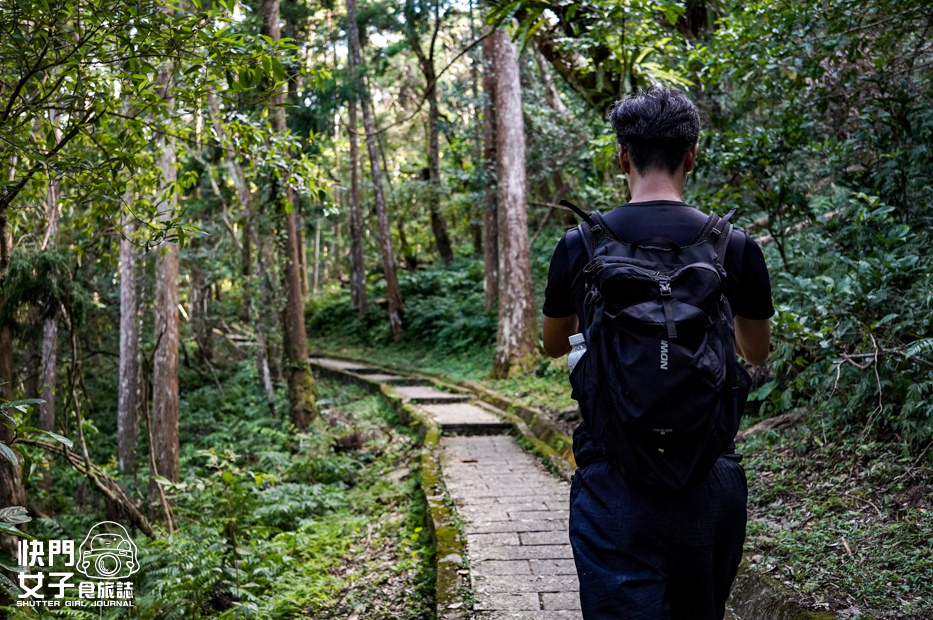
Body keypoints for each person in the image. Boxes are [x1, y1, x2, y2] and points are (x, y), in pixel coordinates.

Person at [541, 86, 774, 620]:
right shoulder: (734, 245)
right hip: (707, 478)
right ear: (692, 154)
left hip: (613, 482)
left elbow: (554, 343)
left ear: (623, 156)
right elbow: (754, 351)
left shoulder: (580, 244)